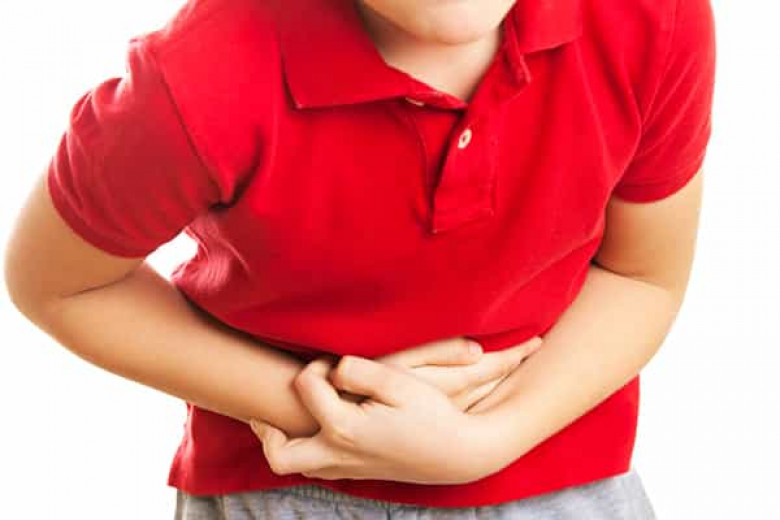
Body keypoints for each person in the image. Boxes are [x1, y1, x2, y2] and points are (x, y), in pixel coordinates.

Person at [5, 0, 715, 517]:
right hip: (284, 487)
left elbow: (641, 275)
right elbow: (58, 283)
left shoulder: (652, 19)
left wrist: (483, 444)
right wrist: (323, 408)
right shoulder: (196, 78)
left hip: (560, 469)